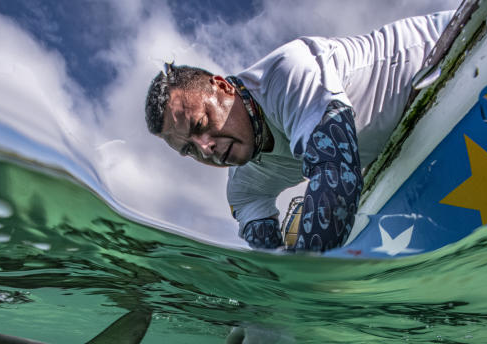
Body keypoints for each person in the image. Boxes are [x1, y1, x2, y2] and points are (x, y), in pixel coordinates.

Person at [145, 10, 454, 252]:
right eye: (189, 150)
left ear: (223, 86)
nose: (205, 148)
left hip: (455, 43)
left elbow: (337, 175)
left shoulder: (288, 72)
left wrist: (293, 309)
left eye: (200, 125)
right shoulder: (242, 189)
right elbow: (270, 259)